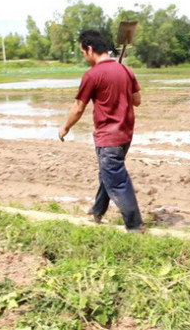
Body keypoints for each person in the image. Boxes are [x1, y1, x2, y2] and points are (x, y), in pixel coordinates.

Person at [59, 30, 144, 232]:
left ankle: (135, 225)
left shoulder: (92, 75)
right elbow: (137, 101)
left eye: (83, 52)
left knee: (117, 180)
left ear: (90, 49)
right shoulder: (125, 70)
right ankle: (97, 211)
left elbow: (78, 108)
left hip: (109, 137)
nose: (84, 57)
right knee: (108, 174)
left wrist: (65, 127)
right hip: (125, 136)